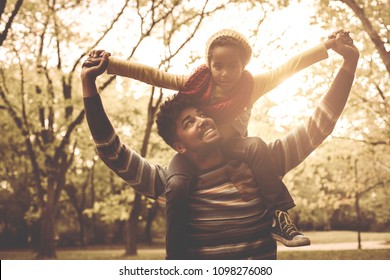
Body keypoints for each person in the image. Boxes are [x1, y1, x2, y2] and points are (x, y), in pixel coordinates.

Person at [81, 32, 359, 259]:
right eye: (189, 122)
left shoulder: (261, 166)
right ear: (179, 145)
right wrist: (92, 80)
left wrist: (348, 63)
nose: (203, 120)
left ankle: (279, 217)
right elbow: (112, 151)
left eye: (203, 114)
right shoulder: (173, 184)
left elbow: (320, 123)